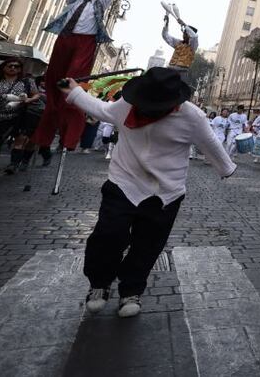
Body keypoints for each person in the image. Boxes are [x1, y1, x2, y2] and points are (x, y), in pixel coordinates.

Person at [64, 67, 236, 318]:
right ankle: (99, 284)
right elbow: (101, 110)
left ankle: (131, 290)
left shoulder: (192, 116)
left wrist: (226, 168)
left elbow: (211, 144)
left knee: (148, 244)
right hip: (123, 182)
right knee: (108, 235)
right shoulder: (127, 105)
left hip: (166, 192)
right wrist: (75, 92)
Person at [33, 0, 117, 152]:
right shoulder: (74, 0)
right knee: (55, 77)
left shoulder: (100, 4)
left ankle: (69, 119)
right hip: (65, 38)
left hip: (85, 42)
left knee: (72, 79)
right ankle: (51, 117)